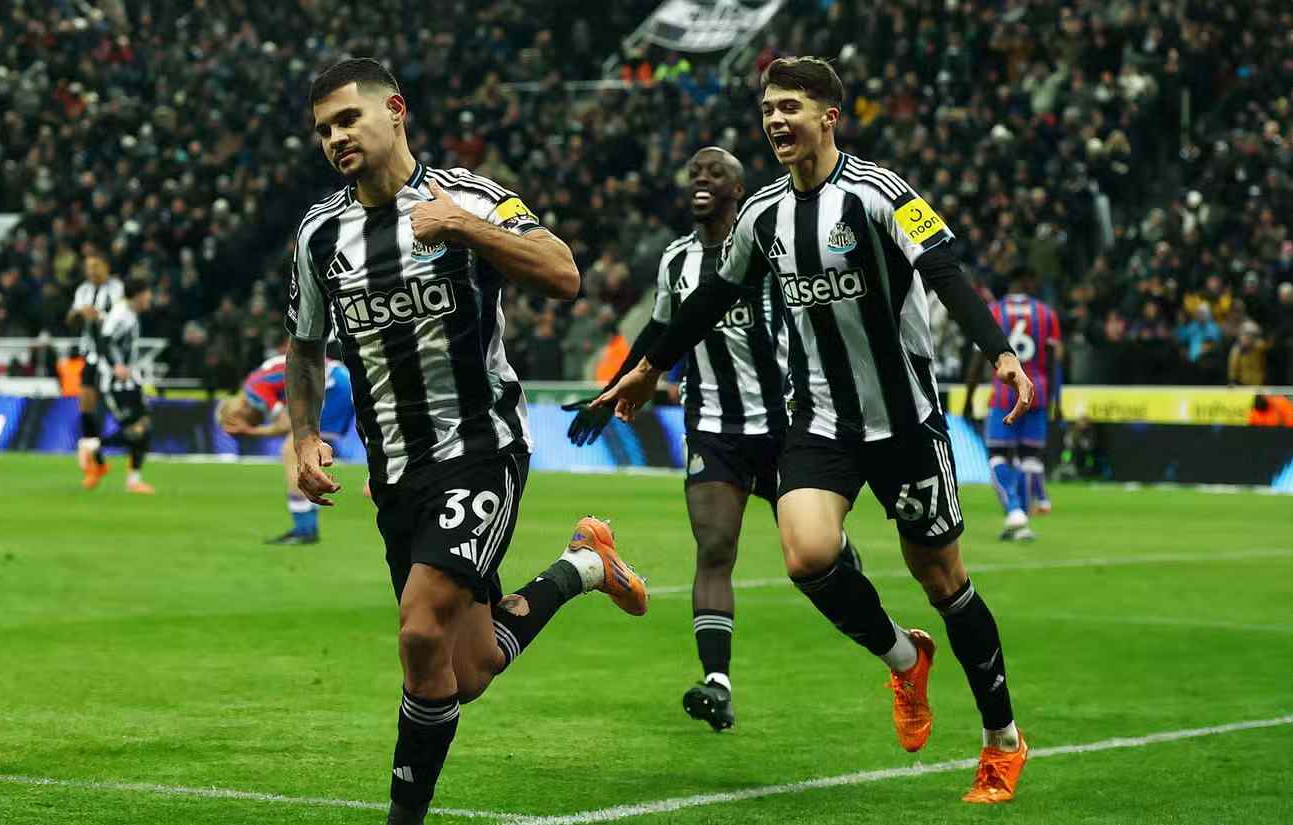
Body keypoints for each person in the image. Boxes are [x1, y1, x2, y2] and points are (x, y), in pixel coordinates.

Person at [596, 57, 1036, 804]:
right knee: (806, 555)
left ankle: (1002, 739)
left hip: (905, 423)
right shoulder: (764, 214)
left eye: (790, 106)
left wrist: (999, 350)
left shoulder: (879, 193)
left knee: (944, 580)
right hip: (823, 419)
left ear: (829, 116)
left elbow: (946, 270)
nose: (775, 119)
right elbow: (711, 297)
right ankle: (905, 662)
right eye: (768, 107)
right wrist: (650, 364)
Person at [285, 59, 649, 825]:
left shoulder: (471, 196)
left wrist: (462, 225)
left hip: (480, 450)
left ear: (396, 110)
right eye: (323, 129)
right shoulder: (321, 234)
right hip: (395, 474)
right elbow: (305, 343)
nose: (335, 138)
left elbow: (563, 272)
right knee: (468, 667)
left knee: (420, 630)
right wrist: (305, 432)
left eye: (348, 119)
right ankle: (585, 566)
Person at [565, 146, 864, 732]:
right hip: (712, 427)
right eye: (694, 172)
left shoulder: (767, 250)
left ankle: (859, 592)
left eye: (716, 172)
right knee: (715, 548)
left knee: (819, 552)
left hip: (785, 424)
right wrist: (616, 388)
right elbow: (660, 332)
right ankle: (717, 683)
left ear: (739, 188)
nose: (701, 178)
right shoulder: (677, 261)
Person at [220, 339, 356, 544]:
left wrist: (251, 432)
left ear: (239, 411)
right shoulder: (258, 381)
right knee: (303, 451)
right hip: (335, 380)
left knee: (292, 449)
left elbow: (284, 425)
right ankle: (307, 526)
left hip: (332, 386)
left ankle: (304, 528)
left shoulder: (255, 390)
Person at [971, 271, 1062, 539]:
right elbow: (1054, 360)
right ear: (1030, 283)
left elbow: (978, 360)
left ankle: (1014, 511)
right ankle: (1023, 519)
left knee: (998, 455)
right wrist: (1057, 399)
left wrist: (968, 397)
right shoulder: (1045, 313)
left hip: (1002, 394)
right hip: (1037, 392)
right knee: (1030, 458)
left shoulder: (994, 311)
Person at [86, 277, 156, 493]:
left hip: (130, 380)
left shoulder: (130, 314)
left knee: (144, 426)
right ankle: (95, 449)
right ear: (139, 294)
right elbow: (104, 341)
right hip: (114, 383)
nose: (150, 297)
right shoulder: (120, 315)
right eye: (147, 293)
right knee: (134, 428)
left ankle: (133, 480)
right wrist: (116, 365)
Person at [67, 255, 125, 479]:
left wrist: (99, 316)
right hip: (92, 355)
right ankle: (98, 462)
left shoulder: (117, 289)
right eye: (88, 267)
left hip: (114, 358)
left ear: (106, 266)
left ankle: (129, 463)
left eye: (96, 266)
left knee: (122, 414)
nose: (91, 271)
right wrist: (77, 314)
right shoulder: (82, 291)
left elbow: (122, 319)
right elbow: (71, 320)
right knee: (86, 404)